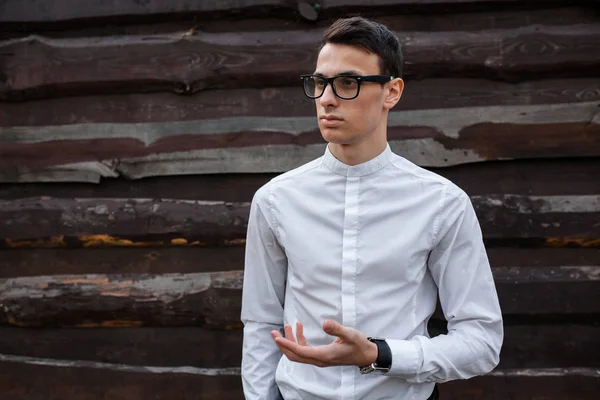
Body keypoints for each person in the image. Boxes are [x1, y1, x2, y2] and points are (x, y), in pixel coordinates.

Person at [240, 16, 503, 400]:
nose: (327, 98)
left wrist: (380, 354)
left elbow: (482, 340)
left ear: (392, 92)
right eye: (319, 83)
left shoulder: (442, 203)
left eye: (348, 82)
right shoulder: (276, 200)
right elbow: (261, 323)